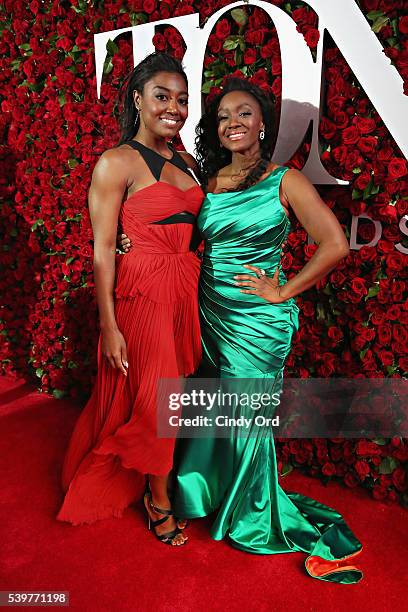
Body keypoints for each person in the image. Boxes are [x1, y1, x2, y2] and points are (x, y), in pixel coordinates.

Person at [120, 77, 363, 581]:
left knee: (247, 419)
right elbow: (170, 228)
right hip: (204, 310)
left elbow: (335, 242)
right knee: (208, 410)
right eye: (225, 114)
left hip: (257, 321)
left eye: (245, 113)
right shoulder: (206, 181)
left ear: (263, 124)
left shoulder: (284, 180)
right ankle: (200, 493)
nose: (234, 122)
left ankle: (250, 516)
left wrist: (282, 291)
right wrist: (132, 248)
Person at [57, 52, 205, 546]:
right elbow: (102, 248)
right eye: (162, 96)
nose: (174, 108)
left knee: (176, 397)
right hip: (141, 293)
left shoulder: (188, 162)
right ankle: (157, 499)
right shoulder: (115, 162)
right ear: (138, 99)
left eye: (182, 100)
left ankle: (156, 480)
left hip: (185, 289)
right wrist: (109, 325)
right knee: (158, 400)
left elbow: (198, 226)